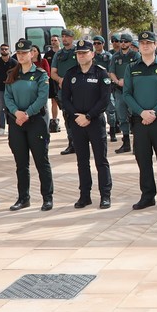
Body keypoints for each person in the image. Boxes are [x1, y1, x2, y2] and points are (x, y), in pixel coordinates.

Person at [124, 30, 157, 210]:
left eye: (149, 42)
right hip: (140, 122)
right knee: (143, 159)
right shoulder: (132, 67)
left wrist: (153, 112)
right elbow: (127, 94)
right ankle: (147, 195)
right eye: (142, 43)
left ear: (155, 45)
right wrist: (142, 112)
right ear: (138, 46)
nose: (145, 45)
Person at [59, 39, 112, 209]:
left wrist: (88, 116)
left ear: (92, 54)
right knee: (82, 161)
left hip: (95, 122)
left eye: (84, 53)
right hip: (77, 123)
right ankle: (85, 195)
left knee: (100, 161)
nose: (80, 56)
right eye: (78, 53)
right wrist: (76, 115)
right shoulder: (71, 74)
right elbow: (65, 98)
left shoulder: (100, 73)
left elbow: (104, 100)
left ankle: (105, 195)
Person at [4, 39, 53, 211]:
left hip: (35, 121)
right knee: (21, 164)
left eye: (25, 53)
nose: (22, 56)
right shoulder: (12, 73)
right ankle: (23, 198)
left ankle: (47, 197)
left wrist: (27, 113)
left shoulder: (41, 74)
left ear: (32, 53)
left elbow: (42, 98)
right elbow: (7, 96)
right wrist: (16, 112)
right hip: (17, 121)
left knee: (41, 161)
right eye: (19, 53)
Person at [50, 29, 78, 155]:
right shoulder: (59, 54)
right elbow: (52, 73)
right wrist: (60, 79)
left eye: (67, 36)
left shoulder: (78, 52)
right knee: (67, 117)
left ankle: (81, 143)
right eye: (63, 37)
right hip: (64, 91)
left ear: (72, 38)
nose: (65, 39)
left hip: (78, 90)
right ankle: (71, 143)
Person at [109, 33, 138, 153]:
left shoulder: (136, 55)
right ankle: (126, 143)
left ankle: (137, 143)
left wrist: (126, 81)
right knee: (122, 116)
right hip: (119, 90)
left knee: (135, 116)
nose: (123, 44)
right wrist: (117, 81)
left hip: (132, 90)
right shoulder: (115, 56)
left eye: (126, 41)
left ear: (130, 43)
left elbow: (138, 71)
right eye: (121, 41)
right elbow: (111, 72)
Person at [91, 36, 117, 142]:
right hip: (94, 85)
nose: (96, 45)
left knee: (110, 110)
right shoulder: (91, 56)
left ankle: (113, 131)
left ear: (103, 44)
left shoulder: (109, 56)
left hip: (106, 85)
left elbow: (111, 71)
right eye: (95, 43)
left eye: (98, 43)